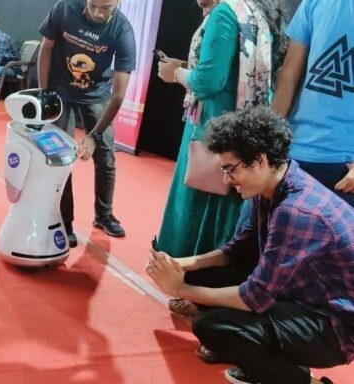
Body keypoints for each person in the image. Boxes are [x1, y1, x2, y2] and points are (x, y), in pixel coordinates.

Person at [146, 106, 353, 384]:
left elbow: (256, 297)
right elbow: (237, 250)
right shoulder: (273, 185)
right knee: (198, 277)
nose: (226, 180)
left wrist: (180, 288)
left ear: (259, 160)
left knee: (212, 327)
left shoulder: (296, 210)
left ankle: (301, 379)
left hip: (334, 326)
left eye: (230, 169)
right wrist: (177, 264)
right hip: (303, 293)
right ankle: (251, 347)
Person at [155, 0, 288, 258]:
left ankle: (187, 267)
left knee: (198, 201)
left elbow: (208, 81)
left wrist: (176, 74)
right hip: (246, 123)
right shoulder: (256, 9)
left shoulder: (226, 10)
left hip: (213, 124)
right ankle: (219, 272)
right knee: (229, 203)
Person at [37, 0, 136, 242]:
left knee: (105, 156)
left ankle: (104, 215)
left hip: (98, 95)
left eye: (105, 7)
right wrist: (44, 94)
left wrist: (93, 136)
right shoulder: (64, 8)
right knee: (61, 157)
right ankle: (63, 221)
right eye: (92, 5)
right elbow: (46, 48)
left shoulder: (123, 31)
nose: (96, 13)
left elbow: (118, 94)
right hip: (61, 91)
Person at [271, 0, 354, 207]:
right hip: (293, 154)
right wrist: (266, 140)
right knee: (254, 243)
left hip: (345, 168)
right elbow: (289, 74)